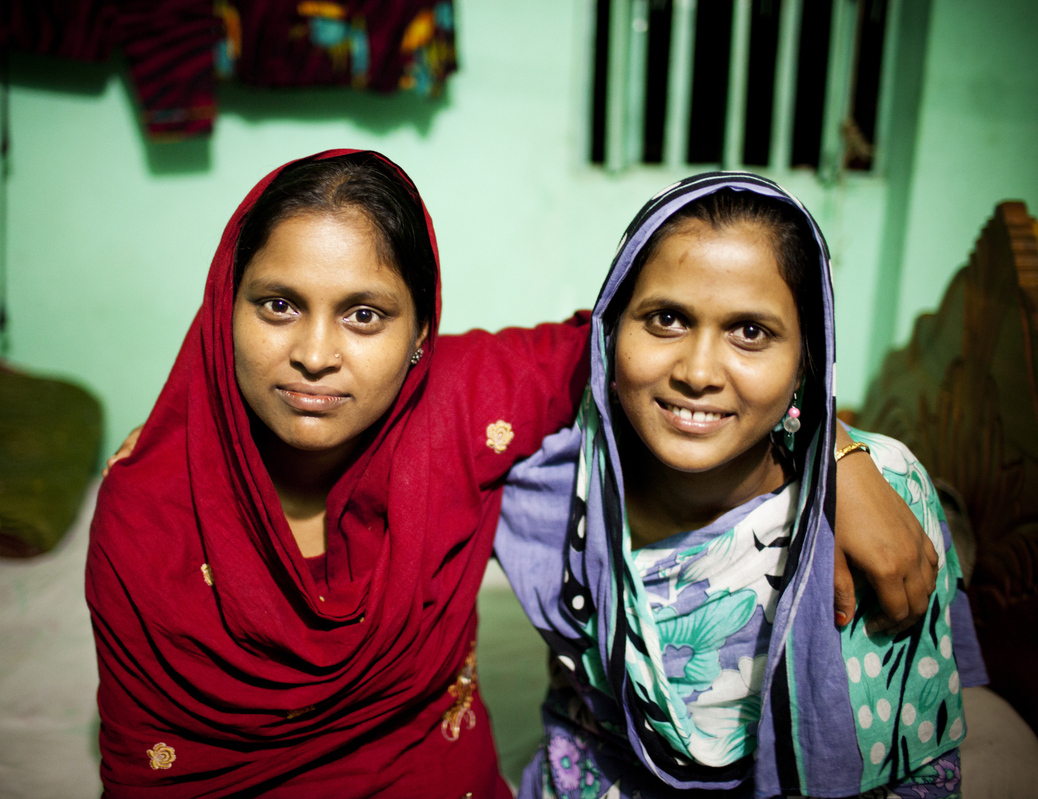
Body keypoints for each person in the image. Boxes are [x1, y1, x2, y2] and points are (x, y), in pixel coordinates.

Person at [91, 153, 939, 797]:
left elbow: (646, 354)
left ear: (423, 330)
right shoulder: (146, 509)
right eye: (278, 303)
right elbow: (144, 765)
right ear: (221, 310)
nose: (316, 354)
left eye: (365, 314)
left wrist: (834, 448)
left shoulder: (459, 404)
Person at [494, 172, 988, 798]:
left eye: (750, 332)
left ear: (808, 357)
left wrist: (839, 455)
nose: (698, 372)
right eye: (667, 319)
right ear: (612, 329)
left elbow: (914, 764)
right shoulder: (558, 481)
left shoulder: (876, 497)